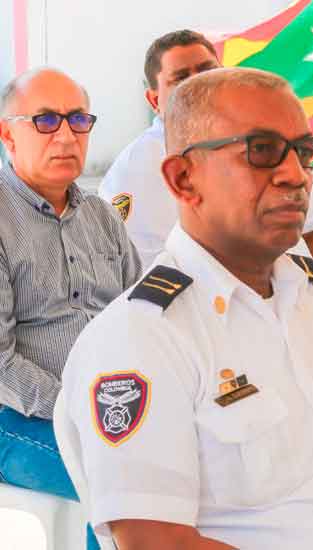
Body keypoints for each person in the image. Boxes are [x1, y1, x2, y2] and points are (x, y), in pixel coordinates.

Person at [62, 67, 313, 550]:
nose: (296, 175)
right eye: (262, 151)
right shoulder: (141, 338)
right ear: (184, 179)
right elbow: (156, 541)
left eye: (304, 152)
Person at [99, 29, 313, 465]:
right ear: (155, 99)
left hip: (307, 304)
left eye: (205, 71)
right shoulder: (135, 168)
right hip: (219, 324)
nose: (290, 173)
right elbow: (127, 272)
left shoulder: (263, 139)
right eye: (179, 78)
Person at [0, 67, 141, 549]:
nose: (66, 135)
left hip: (111, 406)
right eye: (45, 120)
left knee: (203, 463)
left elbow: (139, 319)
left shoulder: (101, 216)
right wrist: (80, 409)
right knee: (125, 485)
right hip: (15, 416)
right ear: (7, 134)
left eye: (78, 120)